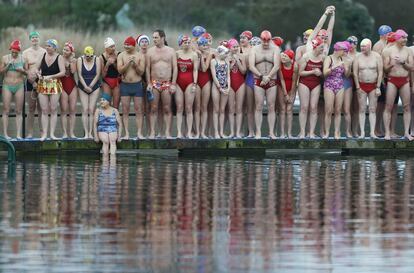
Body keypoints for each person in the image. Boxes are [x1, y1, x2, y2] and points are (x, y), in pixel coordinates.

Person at [382, 29, 413, 140]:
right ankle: (387, 133)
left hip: (405, 80)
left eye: (406, 38)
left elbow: (412, 68)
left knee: (406, 107)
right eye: (403, 38)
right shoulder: (387, 51)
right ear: (397, 38)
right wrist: (392, 64)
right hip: (392, 80)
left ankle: (406, 133)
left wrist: (403, 63)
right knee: (388, 107)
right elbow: (385, 69)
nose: (405, 40)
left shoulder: (408, 51)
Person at [146, 29, 177, 139]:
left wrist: (173, 84)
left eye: (156, 37)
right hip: (154, 83)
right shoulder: (150, 51)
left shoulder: (171, 51)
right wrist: (149, 83)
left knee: (167, 108)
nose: (154, 39)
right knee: (154, 108)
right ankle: (153, 132)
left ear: (162, 38)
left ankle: (167, 132)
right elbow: (147, 68)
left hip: (167, 83)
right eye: (153, 37)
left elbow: (175, 68)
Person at [249, 30, 280, 139]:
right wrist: (262, 77)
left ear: (270, 40)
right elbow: (251, 66)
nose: (266, 43)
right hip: (258, 80)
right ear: (261, 40)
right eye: (264, 41)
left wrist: (268, 77)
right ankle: (258, 132)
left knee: (271, 107)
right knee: (258, 106)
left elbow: (276, 66)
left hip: (272, 81)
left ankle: (271, 132)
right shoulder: (254, 49)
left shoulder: (276, 49)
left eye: (268, 41)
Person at [36, 39, 65, 141]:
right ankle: (44, 134)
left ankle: (52, 133)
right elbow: (36, 68)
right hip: (43, 84)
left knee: (53, 109)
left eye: (49, 46)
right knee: (44, 110)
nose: (47, 47)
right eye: (46, 46)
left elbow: (63, 72)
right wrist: (38, 74)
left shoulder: (59, 57)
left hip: (54, 84)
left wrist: (51, 76)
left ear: (54, 47)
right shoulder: (43, 55)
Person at [353, 38, 383, 138]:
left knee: (372, 109)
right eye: (361, 46)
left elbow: (380, 72)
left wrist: (378, 86)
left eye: (364, 46)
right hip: (361, 85)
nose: (362, 48)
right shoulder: (358, 57)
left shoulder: (377, 56)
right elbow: (355, 73)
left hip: (374, 86)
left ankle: (372, 133)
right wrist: (357, 87)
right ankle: (362, 133)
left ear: (369, 46)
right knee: (362, 109)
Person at [117, 36, 145, 139]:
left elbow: (141, 72)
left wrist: (135, 65)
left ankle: (139, 133)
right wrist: (128, 63)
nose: (126, 46)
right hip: (125, 86)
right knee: (125, 110)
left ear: (134, 46)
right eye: (125, 44)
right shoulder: (121, 56)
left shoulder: (140, 56)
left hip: (137, 85)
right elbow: (120, 71)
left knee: (138, 110)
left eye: (128, 45)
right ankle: (126, 133)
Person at [322, 41, 351, 139]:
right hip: (329, 84)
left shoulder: (343, 59)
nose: (345, 52)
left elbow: (346, 75)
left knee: (338, 110)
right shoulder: (328, 58)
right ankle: (326, 133)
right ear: (338, 50)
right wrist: (334, 66)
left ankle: (337, 133)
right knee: (329, 110)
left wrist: (347, 68)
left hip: (340, 84)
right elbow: (324, 73)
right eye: (344, 50)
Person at [297, 38, 325, 138]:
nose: (323, 49)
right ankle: (302, 132)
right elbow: (300, 72)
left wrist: (321, 73)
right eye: (321, 47)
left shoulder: (323, 58)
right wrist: (313, 72)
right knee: (304, 107)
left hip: (316, 83)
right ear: (315, 46)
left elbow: (324, 74)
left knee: (313, 108)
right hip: (304, 83)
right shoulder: (306, 56)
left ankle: (312, 132)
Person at [0, 40, 27, 139]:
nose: (14, 54)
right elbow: (1, 72)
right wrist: (8, 66)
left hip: (19, 85)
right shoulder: (5, 58)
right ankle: (5, 134)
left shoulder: (23, 59)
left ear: (19, 51)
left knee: (19, 111)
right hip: (7, 85)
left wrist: (22, 70)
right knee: (6, 110)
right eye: (13, 52)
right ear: (10, 50)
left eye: (16, 52)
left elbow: (27, 73)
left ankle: (18, 134)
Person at [22, 31, 46, 138]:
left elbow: (46, 67)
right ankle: (30, 133)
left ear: (39, 39)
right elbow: (25, 70)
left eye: (36, 37)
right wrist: (32, 81)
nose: (35, 39)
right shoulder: (26, 53)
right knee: (31, 108)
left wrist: (39, 79)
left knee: (42, 108)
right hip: (30, 81)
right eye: (33, 37)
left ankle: (42, 132)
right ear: (30, 40)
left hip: (42, 80)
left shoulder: (44, 51)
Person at [175, 34, 198, 138]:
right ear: (181, 43)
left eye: (189, 42)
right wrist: (173, 83)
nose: (187, 44)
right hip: (178, 83)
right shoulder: (176, 53)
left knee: (189, 108)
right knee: (179, 108)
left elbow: (195, 70)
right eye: (185, 42)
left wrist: (194, 84)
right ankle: (179, 132)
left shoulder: (194, 55)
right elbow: (174, 69)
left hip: (189, 83)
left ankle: (189, 132)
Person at [77, 46, 101, 139]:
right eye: (87, 56)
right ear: (84, 55)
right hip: (83, 85)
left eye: (91, 56)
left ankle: (91, 133)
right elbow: (79, 74)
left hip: (94, 85)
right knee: (85, 109)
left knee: (91, 110)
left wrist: (90, 86)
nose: (89, 58)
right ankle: (86, 133)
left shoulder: (97, 59)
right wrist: (85, 86)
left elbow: (98, 74)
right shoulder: (80, 60)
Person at [373, 25, 392, 137]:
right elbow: (378, 64)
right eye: (389, 34)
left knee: (383, 105)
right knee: (379, 106)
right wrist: (380, 81)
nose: (390, 36)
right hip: (380, 79)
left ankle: (380, 128)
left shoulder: (385, 44)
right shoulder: (378, 46)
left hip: (384, 78)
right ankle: (376, 129)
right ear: (384, 34)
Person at [277, 49, 298, 138]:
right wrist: (286, 94)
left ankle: (289, 133)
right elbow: (281, 79)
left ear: (290, 58)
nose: (283, 58)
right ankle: (282, 133)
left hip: (292, 87)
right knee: (282, 109)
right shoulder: (280, 65)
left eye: (285, 57)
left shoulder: (295, 66)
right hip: (281, 86)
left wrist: (292, 94)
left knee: (289, 110)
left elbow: (294, 81)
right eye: (283, 56)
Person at [228, 38, 246, 138]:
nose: (235, 48)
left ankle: (238, 132)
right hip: (230, 85)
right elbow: (225, 72)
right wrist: (231, 63)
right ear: (229, 48)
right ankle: (231, 132)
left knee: (239, 109)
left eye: (236, 46)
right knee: (231, 109)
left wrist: (237, 61)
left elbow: (243, 71)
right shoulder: (226, 57)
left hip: (240, 84)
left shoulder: (242, 57)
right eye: (233, 47)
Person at [211, 45, 230, 138]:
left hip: (225, 86)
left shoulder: (226, 62)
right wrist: (220, 88)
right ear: (220, 53)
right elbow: (214, 76)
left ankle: (221, 132)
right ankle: (216, 133)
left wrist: (228, 87)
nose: (226, 55)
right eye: (225, 53)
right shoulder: (213, 61)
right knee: (216, 110)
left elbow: (228, 76)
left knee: (222, 110)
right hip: (216, 87)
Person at [196, 36, 214, 138]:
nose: (204, 46)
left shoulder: (209, 54)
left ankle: (203, 132)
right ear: (198, 45)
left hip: (206, 81)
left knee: (204, 107)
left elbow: (204, 69)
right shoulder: (195, 54)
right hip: (197, 81)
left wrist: (201, 57)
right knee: (197, 107)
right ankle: (197, 131)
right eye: (202, 45)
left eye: (205, 44)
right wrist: (197, 56)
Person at [239, 30, 255, 137]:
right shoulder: (236, 49)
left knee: (250, 107)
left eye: (244, 38)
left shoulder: (253, 50)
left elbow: (250, 67)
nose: (241, 40)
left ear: (249, 39)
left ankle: (251, 131)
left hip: (249, 77)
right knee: (240, 107)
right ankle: (239, 131)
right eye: (240, 38)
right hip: (238, 78)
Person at [60, 42, 77, 139]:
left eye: (67, 50)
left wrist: (71, 61)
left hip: (72, 85)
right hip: (62, 85)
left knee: (73, 110)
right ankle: (64, 133)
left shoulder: (74, 60)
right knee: (63, 110)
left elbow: (74, 71)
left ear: (71, 52)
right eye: (64, 49)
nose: (64, 51)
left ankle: (72, 133)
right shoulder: (59, 58)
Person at [343, 36, 358, 137]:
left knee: (356, 108)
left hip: (357, 83)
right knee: (347, 108)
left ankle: (355, 131)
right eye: (349, 42)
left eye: (354, 43)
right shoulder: (343, 55)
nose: (351, 45)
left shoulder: (360, 55)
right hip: (347, 82)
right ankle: (348, 130)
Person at [100, 37, 120, 109]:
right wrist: (107, 64)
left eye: (114, 46)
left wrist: (114, 63)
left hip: (117, 81)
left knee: (116, 106)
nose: (113, 48)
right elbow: (102, 75)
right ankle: (107, 120)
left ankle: (115, 120)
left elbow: (120, 71)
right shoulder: (102, 57)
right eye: (111, 47)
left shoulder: (119, 54)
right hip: (107, 82)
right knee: (106, 105)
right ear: (106, 48)